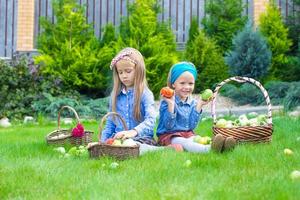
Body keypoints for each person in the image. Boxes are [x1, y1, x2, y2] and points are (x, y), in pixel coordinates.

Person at [156, 61, 236, 153]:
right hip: (169, 136)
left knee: (197, 140)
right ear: (173, 84)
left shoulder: (192, 102)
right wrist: (171, 104)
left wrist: (200, 104)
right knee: (185, 142)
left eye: (190, 84)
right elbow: (168, 126)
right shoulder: (167, 102)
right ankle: (209, 150)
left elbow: (191, 126)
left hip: (187, 134)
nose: (187, 87)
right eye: (182, 83)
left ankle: (222, 147)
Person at [100, 47, 163, 155]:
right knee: (115, 148)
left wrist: (133, 132)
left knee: (133, 147)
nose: (124, 76)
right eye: (120, 72)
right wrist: (101, 143)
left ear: (138, 70)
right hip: (119, 141)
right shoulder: (115, 95)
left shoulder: (145, 94)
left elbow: (151, 120)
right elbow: (110, 123)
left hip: (141, 139)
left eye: (128, 71)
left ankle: (162, 149)